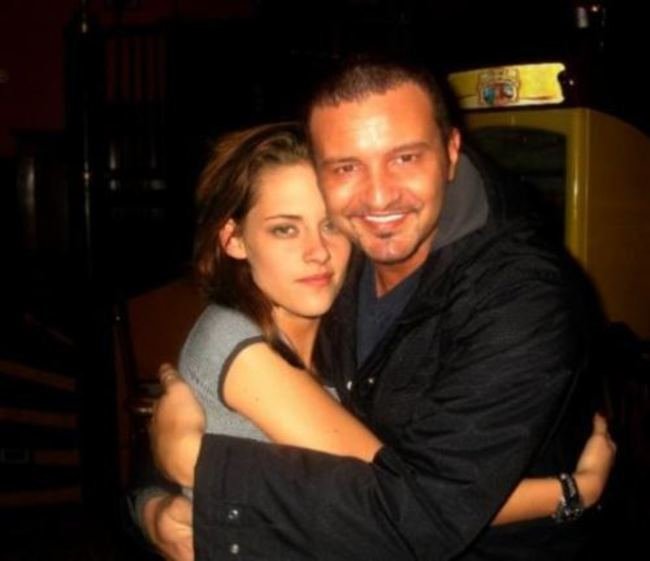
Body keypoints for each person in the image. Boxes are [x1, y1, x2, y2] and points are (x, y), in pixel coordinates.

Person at [143, 57, 615, 560]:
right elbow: (395, 494)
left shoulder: (517, 298)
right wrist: (152, 501)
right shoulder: (337, 270)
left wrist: (191, 463)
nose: (378, 195)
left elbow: (413, 508)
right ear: (234, 239)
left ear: (451, 150)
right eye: (346, 167)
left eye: (405, 157)